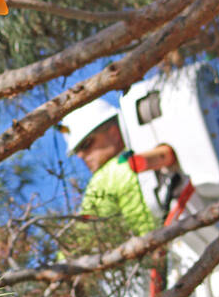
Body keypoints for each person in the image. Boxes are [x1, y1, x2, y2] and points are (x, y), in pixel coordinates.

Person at [59, 100, 177, 236]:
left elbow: (83, 238)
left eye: (86, 145)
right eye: (77, 152)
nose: (81, 156)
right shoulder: (147, 144)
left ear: (114, 132)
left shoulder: (106, 177)